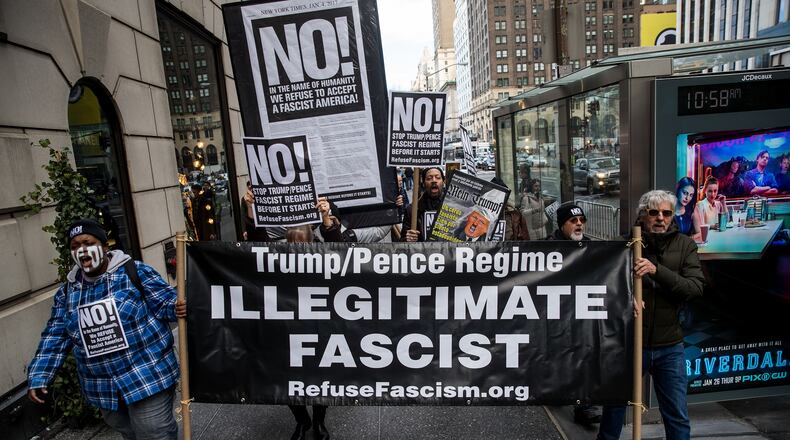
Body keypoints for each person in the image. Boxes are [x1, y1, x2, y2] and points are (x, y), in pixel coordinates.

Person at [27, 219, 187, 440]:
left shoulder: (134, 272)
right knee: (130, 433)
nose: (81, 250)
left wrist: (177, 306)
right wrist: (39, 375)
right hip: (103, 388)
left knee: (154, 433)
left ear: (104, 246)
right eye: (74, 246)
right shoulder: (67, 293)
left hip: (147, 374)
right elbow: (55, 335)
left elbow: (165, 303)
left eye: (87, 242)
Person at [597, 190, 705, 440]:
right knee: (613, 410)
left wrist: (657, 271)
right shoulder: (624, 245)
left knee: (676, 413)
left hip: (670, 346)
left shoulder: (685, 245)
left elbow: (694, 288)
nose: (660, 218)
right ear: (642, 215)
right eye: (653, 212)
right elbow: (600, 287)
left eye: (666, 213)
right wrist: (623, 296)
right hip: (630, 344)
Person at [287, 198, 342, 440]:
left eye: (302, 243)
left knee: (321, 378)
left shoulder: (324, 254)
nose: (297, 247)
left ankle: (319, 422)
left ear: (310, 240)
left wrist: (327, 217)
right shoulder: (277, 259)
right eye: (292, 243)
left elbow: (339, 249)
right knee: (286, 378)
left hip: (320, 326)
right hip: (290, 327)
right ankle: (302, 420)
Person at [544, 203, 600, 424]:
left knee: (583, 357)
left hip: (580, 312)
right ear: (561, 224)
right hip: (555, 312)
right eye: (573, 221)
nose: (579, 224)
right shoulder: (547, 247)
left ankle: (584, 405)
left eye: (582, 221)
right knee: (557, 355)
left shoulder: (590, 247)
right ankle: (556, 389)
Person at [401, 167, 445, 242]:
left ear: (443, 182)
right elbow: (401, 241)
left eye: (437, 177)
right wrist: (407, 238)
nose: (434, 180)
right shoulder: (412, 210)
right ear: (424, 184)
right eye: (429, 178)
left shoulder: (455, 208)